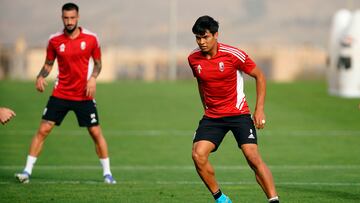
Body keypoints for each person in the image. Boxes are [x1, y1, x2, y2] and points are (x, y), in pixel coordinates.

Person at [15, 2, 116, 184]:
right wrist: (40, 76)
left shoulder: (91, 39)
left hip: (84, 95)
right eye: (66, 18)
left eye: (72, 18)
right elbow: (48, 63)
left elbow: (98, 63)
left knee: (95, 132)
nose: (69, 21)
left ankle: (107, 174)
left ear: (78, 18)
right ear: (62, 18)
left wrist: (93, 78)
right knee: (43, 129)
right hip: (60, 93)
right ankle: (26, 171)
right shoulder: (54, 40)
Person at [188, 16, 279, 203]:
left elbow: (260, 76)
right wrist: (206, 107)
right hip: (213, 116)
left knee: (252, 157)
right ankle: (221, 199)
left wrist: (259, 109)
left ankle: (274, 200)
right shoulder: (193, 59)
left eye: (205, 37)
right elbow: (201, 83)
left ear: (215, 35)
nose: (201, 42)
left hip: (239, 114)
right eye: (198, 38)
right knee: (198, 155)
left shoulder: (233, 54)